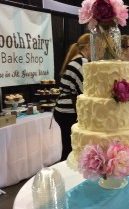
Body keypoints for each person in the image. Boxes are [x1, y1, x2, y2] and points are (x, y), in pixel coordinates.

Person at [54, 33, 91, 161]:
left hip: (61, 111)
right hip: (69, 112)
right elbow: (85, 91)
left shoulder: (74, 60)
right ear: (88, 46)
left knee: (67, 147)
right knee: (72, 150)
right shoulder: (82, 62)